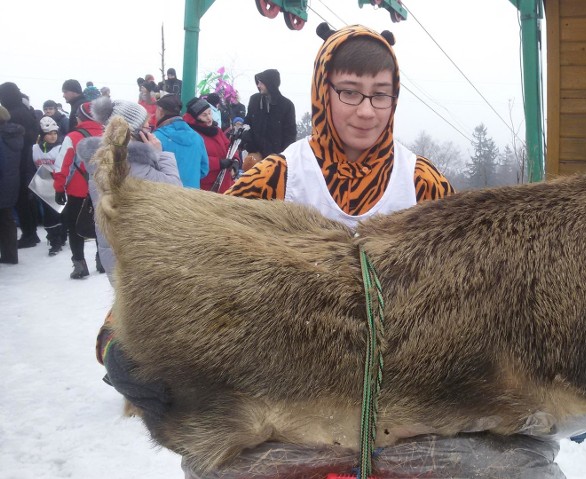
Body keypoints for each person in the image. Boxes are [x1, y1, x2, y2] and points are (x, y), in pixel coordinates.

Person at [99, 24, 471, 478]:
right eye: (350, 93)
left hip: (402, 402)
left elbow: (466, 282)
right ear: (323, 90)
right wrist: (120, 334)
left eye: (381, 95)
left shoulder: (423, 184)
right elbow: (196, 254)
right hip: (286, 396)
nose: (367, 111)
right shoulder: (279, 176)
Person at [84, 96, 183, 284]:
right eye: (147, 126)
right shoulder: (132, 164)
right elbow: (174, 188)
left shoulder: (102, 159)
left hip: (115, 248)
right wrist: (159, 153)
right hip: (136, 254)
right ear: (136, 132)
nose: (151, 130)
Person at [53, 102, 103, 279]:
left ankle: (80, 264)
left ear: (81, 117)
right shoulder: (108, 134)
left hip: (78, 191)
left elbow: (62, 164)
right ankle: (102, 260)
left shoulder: (73, 136)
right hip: (104, 190)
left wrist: (59, 188)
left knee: (75, 228)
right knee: (101, 226)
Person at [0, 82, 40, 248]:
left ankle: (29, 234)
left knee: (20, 199)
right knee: (28, 198)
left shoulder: (13, 114)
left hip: (18, 162)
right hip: (28, 159)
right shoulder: (25, 111)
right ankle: (32, 233)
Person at [152, 94, 208, 188]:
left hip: (164, 197)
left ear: (160, 111)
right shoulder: (197, 138)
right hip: (191, 197)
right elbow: (204, 170)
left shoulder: (155, 138)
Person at [243, 68, 296, 159]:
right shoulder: (254, 100)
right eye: (258, 82)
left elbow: (290, 134)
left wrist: (283, 155)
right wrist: (249, 144)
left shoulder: (287, 105)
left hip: (276, 158)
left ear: (270, 83)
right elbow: (247, 124)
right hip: (255, 155)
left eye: (261, 82)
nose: (258, 85)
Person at [184, 97, 234, 193]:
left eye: (210, 113)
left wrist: (235, 160)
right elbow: (194, 158)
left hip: (225, 182)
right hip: (206, 186)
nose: (209, 118)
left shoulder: (216, 130)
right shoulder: (191, 133)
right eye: (204, 115)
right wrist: (218, 163)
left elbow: (228, 145)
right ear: (195, 117)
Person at [32, 117, 67, 255]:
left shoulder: (60, 148)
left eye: (55, 133)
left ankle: (61, 238)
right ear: (42, 135)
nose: (53, 136)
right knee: (49, 215)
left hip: (59, 184)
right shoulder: (34, 148)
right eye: (49, 133)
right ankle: (54, 240)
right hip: (43, 185)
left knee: (61, 213)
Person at [0, 105, 23, 265]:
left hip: (3, 180)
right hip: (11, 182)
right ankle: (10, 255)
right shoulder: (13, 134)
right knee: (7, 218)